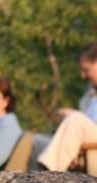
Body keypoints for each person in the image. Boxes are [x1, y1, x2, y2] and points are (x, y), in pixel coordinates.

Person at [37, 42, 97, 172]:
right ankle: (47, 172)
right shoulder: (91, 97)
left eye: (86, 70)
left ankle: (48, 174)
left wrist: (75, 115)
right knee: (36, 140)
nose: (83, 76)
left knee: (75, 119)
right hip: (89, 154)